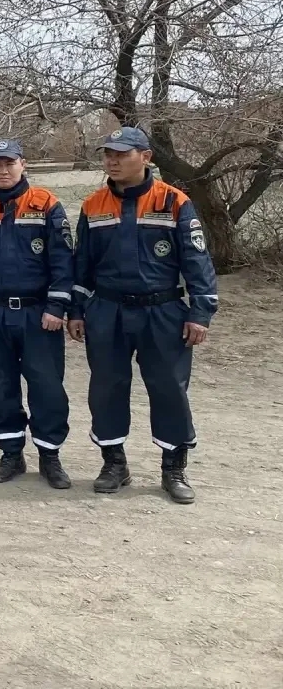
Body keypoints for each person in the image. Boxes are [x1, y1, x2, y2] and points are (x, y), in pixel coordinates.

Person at [68, 127, 218, 504]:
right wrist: (76, 310)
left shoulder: (175, 202)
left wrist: (200, 312)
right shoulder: (93, 205)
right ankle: (114, 464)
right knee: (106, 388)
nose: (112, 161)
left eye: (121, 154)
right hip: (107, 311)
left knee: (168, 388)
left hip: (163, 312)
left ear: (146, 157)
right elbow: (82, 265)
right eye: (107, 154)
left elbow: (198, 263)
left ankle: (173, 467)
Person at [0, 139, 74, 488]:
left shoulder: (47, 204)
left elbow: (63, 261)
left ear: (23, 164)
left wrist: (56, 306)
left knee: (47, 387)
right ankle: (10, 454)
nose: (3, 170)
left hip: (38, 315)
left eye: (10, 163)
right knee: (1, 387)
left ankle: (50, 456)